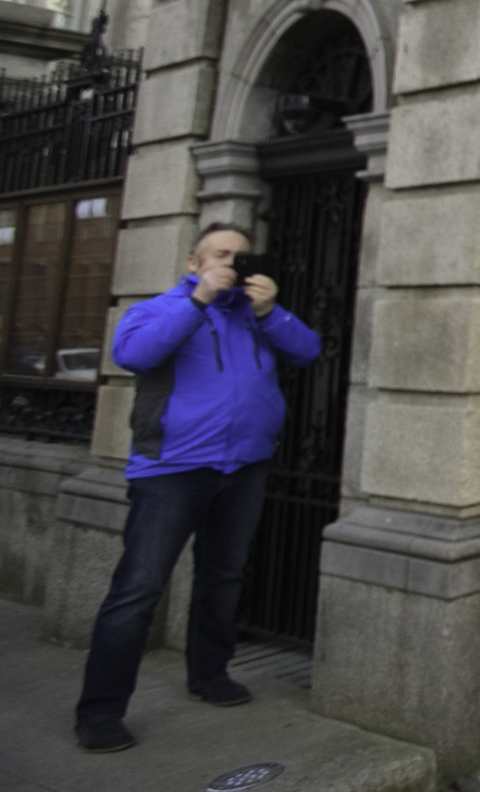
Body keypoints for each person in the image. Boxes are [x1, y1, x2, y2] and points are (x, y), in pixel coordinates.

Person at [73, 222, 322, 753]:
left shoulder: (255, 313)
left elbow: (308, 350)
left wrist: (269, 311)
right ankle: (100, 711)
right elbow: (133, 355)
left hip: (244, 466)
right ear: (194, 262)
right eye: (220, 254)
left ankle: (209, 674)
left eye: (241, 256)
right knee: (138, 589)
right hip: (171, 469)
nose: (232, 263)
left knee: (223, 577)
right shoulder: (159, 308)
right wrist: (199, 301)